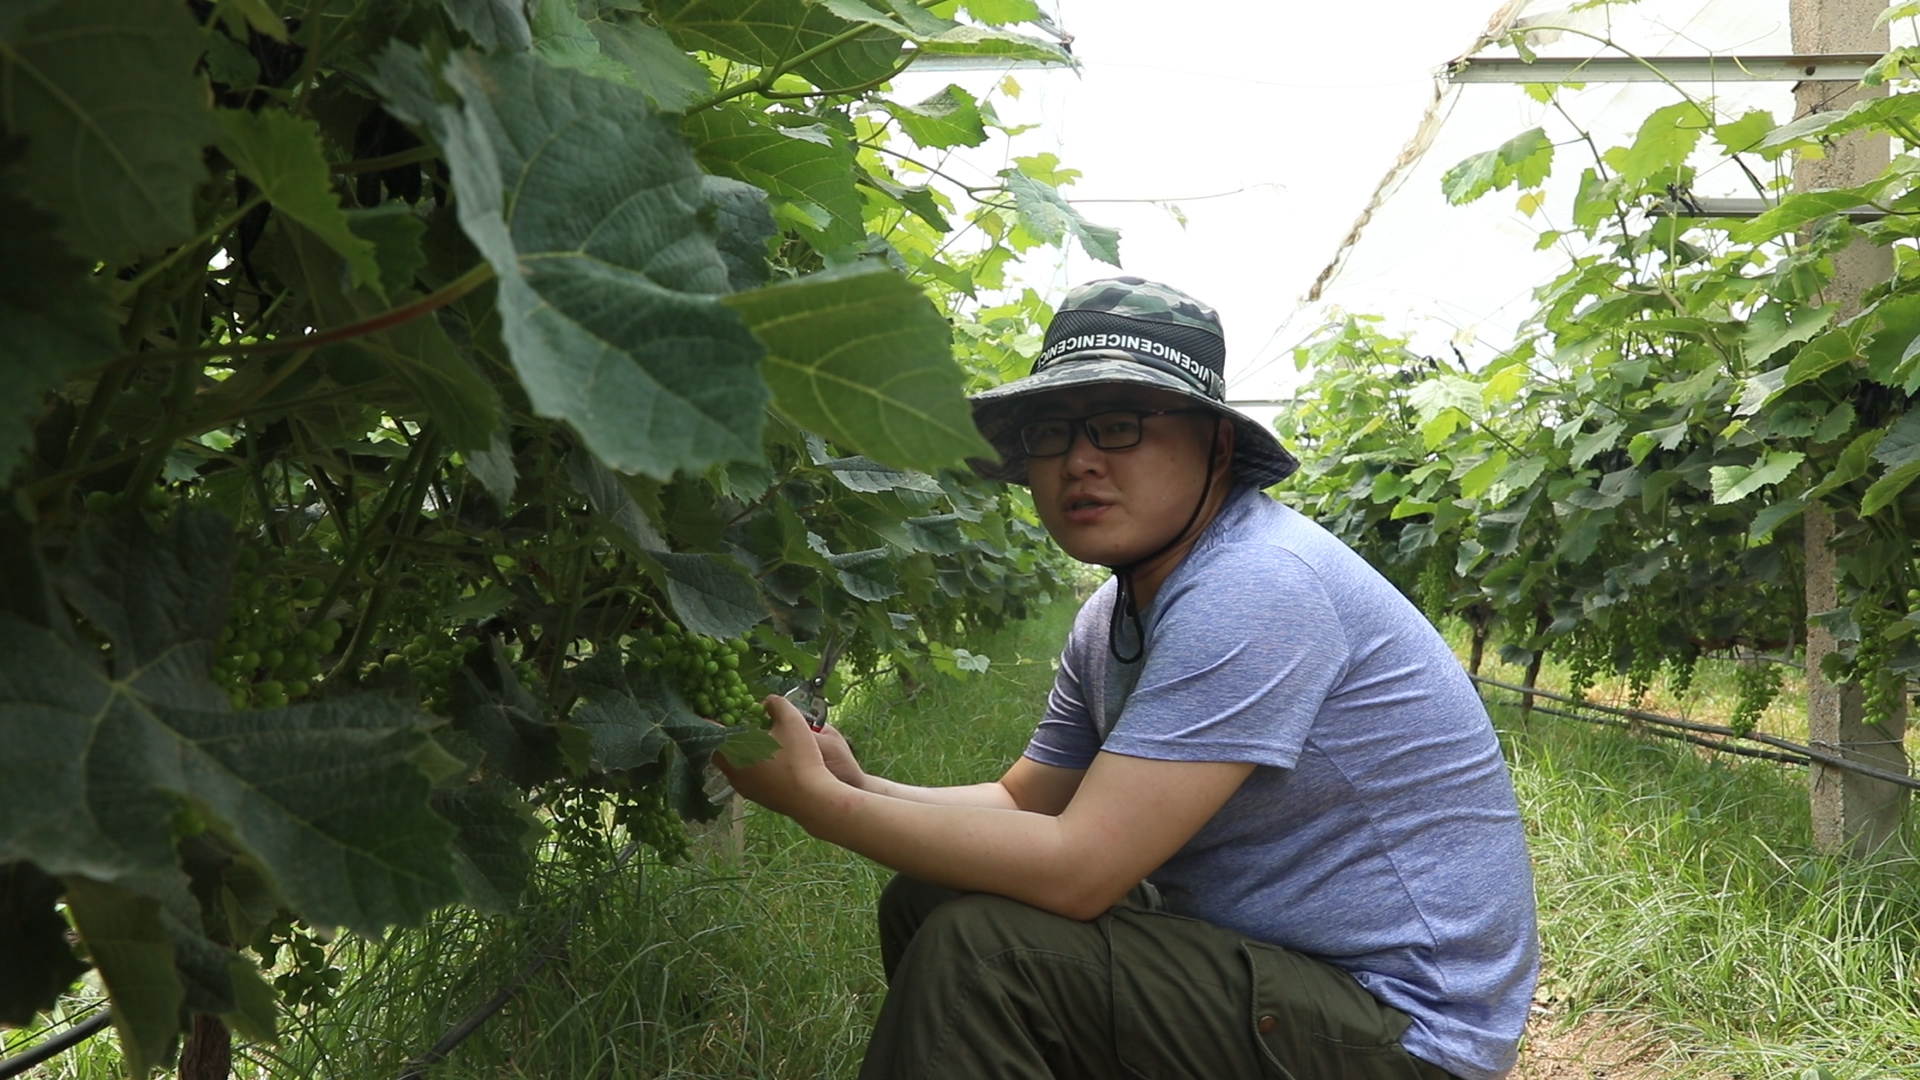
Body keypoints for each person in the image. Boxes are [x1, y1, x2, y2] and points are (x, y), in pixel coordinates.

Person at [717, 277, 1538, 1080]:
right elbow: (1022, 804)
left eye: (1117, 425)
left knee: (987, 956)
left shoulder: (1256, 583)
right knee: (927, 896)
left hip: (1408, 1032)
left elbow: (1080, 869)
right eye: (1052, 432)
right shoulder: (1113, 616)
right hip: (1285, 978)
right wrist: (863, 782)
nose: (1078, 462)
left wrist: (821, 805)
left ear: (1216, 445)